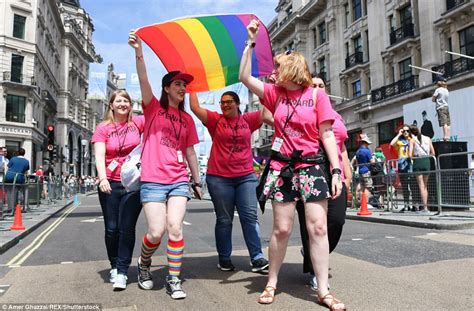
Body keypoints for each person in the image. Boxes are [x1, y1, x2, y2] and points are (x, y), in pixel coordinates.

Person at [239, 20, 345, 310]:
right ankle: (271, 282)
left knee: (318, 229)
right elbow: (244, 76)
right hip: (283, 167)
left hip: (311, 167)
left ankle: (323, 289)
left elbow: (327, 135)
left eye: (278, 68)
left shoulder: (316, 95)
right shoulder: (275, 95)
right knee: (281, 230)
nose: (273, 72)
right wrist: (250, 43)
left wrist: (336, 170)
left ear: (292, 70)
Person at [129, 31, 202, 300]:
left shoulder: (188, 119)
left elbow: (191, 152)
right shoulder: (152, 109)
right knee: (156, 231)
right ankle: (144, 264)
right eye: (179, 84)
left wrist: (196, 181)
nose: (183, 88)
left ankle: (173, 279)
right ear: (167, 88)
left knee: (175, 227)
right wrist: (139, 51)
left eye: (185, 85)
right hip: (152, 180)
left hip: (178, 180)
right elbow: (143, 78)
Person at [189, 91, 269, 273]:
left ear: (238, 103)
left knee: (250, 217)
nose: (224, 105)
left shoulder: (248, 120)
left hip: (245, 177)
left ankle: (257, 258)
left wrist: (265, 91)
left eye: (229, 102)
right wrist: (192, 86)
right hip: (219, 178)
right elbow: (195, 107)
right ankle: (224, 258)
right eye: (222, 102)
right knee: (224, 219)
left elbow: (266, 111)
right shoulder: (215, 120)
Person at [296, 75, 352, 291]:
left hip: (335, 175)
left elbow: (342, 147)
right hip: (309, 174)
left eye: (321, 86)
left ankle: (314, 254)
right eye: (313, 86)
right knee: (310, 227)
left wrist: (347, 174)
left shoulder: (336, 116)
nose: (317, 89)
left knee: (336, 221)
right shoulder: (303, 111)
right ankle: (316, 273)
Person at [92, 89, 145, 291]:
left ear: (131, 105)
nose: (122, 103)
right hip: (110, 184)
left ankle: (122, 271)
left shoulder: (137, 123)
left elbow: (155, 111)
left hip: (132, 184)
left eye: (126, 100)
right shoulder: (103, 128)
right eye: (118, 101)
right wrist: (102, 178)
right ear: (111, 105)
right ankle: (114, 265)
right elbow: (99, 154)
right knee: (112, 228)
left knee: (127, 228)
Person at [410, 124, 435, 213]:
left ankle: (424, 208)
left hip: (418, 162)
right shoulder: (428, 138)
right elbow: (433, 153)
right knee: (425, 186)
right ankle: (426, 207)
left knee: (421, 186)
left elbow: (410, 155)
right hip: (427, 161)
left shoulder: (412, 140)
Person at [390, 125, 414, 212]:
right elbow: (392, 144)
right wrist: (398, 134)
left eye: (407, 131)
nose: (406, 132)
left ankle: (414, 205)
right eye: (404, 131)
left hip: (410, 165)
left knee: (412, 186)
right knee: (404, 187)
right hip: (402, 166)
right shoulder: (400, 142)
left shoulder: (412, 140)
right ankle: (406, 205)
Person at [355, 134, 374, 203]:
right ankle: (365, 203)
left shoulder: (358, 151)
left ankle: (360, 203)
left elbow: (356, 162)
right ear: (365, 143)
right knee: (368, 187)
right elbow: (372, 162)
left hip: (360, 171)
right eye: (367, 144)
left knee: (362, 187)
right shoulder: (367, 151)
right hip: (366, 171)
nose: (368, 145)